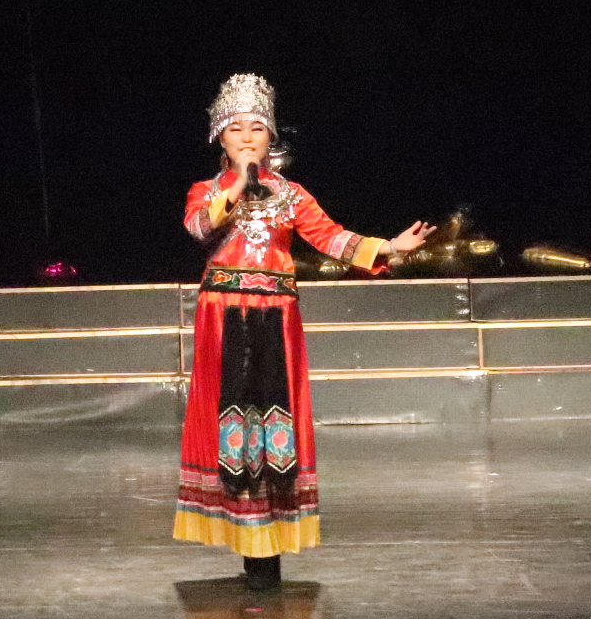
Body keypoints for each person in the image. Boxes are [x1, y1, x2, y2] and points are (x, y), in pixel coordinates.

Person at [177, 72, 433, 585]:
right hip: (223, 316)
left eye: (257, 128)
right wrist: (239, 185)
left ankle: (268, 546)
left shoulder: (292, 196)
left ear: (271, 137)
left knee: (276, 416)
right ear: (220, 138)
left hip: (276, 316)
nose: (247, 137)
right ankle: (243, 535)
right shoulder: (205, 191)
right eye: (236, 129)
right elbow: (199, 226)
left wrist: (389, 247)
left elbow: (331, 238)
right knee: (231, 415)